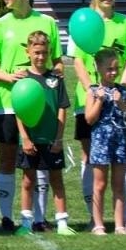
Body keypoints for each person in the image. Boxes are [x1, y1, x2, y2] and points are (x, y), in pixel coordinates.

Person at [0, 0, 60, 232]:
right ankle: (6, 218)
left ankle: (39, 218)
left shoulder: (47, 23)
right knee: (6, 162)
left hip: (40, 109)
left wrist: (50, 79)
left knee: (39, 161)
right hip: (6, 105)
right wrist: (10, 77)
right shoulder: (0, 25)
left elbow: (58, 63)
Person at [69, 0, 126, 230]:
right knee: (89, 157)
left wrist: (120, 92)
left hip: (119, 105)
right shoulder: (84, 19)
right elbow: (76, 60)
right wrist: (94, 90)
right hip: (88, 102)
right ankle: (94, 218)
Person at [13, 31, 73, 236]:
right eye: (37, 52)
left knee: (56, 180)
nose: (40, 56)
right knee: (28, 181)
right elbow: (19, 111)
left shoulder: (56, 79)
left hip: (51, 139)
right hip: (30, 140)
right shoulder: (22, 79)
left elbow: (62, 108)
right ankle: (26, 223)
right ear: (28, 51)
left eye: (45, 52)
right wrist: (25, 138)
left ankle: (62, 223)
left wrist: (58, 137)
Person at [83, 49, 126, 235]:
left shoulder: (122, 90)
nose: (113, 72)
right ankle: (98, 224)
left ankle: (120, 225)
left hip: (119, 141)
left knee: (119, 185)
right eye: (109, 69)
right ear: (98, 68)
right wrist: (99, 101)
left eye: (116, 68)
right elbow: (89, 119)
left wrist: (122, 105)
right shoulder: (93, 91)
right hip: (100, 141)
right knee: (100, 184)